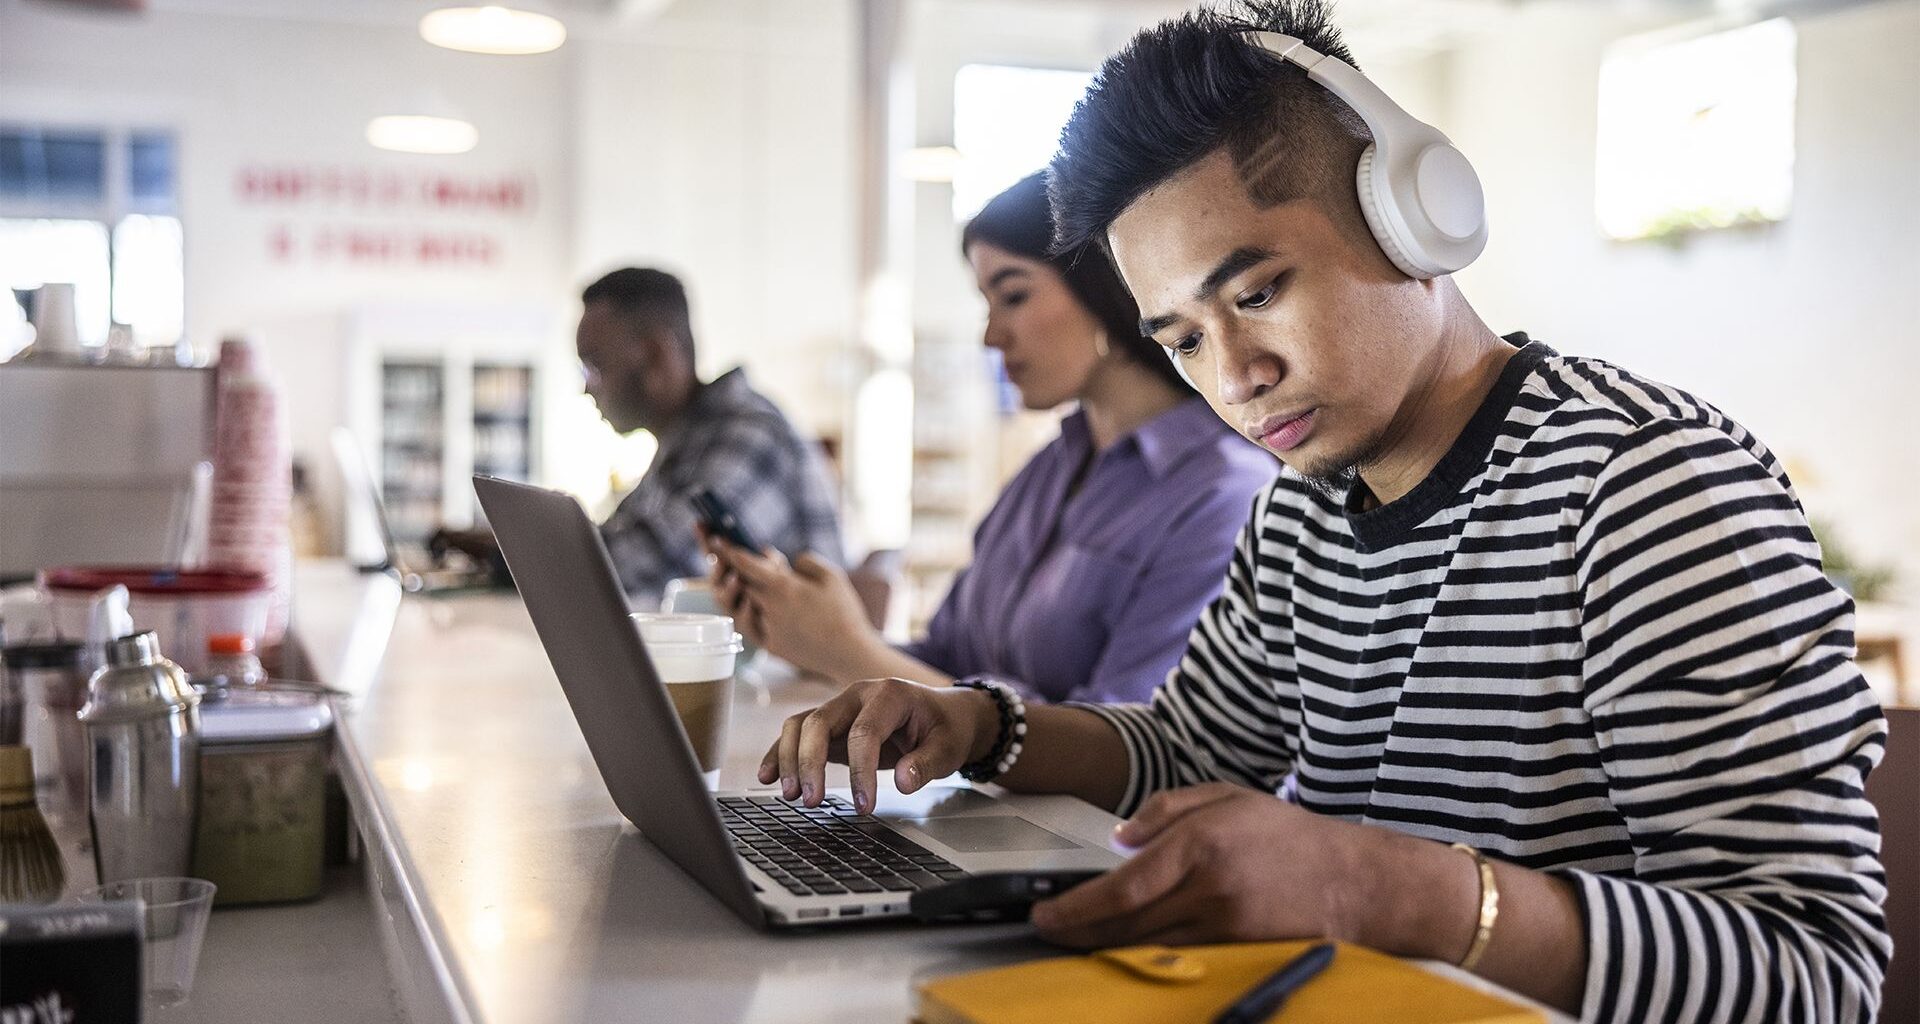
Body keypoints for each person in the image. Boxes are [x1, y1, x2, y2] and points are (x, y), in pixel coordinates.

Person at [753, 4, 1889, 1022]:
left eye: (1257, 292)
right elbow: (1192, 747)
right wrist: (980, 727)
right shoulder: (1305, 511)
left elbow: (1813, 969)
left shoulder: (1646, 490)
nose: (1234, 375)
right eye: (1185, 338)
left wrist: (1386, 888)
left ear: (1413, 217)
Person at [707, 172, 1276, 703]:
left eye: (1014, 295)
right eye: (986, 302)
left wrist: (851, 651)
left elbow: (1127, 746)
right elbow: (948, 662)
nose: (990, 335)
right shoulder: (1049, 470)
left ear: (1105, 286)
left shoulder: (1223, 494)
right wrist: (811, 637)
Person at [578, 267, 844, 603]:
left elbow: (664, 565)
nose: (586, 388)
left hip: (796, 656)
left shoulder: (751, 433)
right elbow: (620, 541)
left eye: (594, 365)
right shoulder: (682, 442)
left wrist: (539, 550)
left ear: (655, 354)